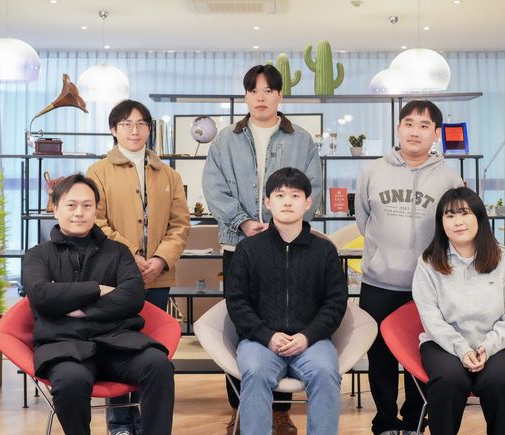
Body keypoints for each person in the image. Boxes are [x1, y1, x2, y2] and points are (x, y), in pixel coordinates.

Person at [202, 64, 322, 435]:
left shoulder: (301, 139)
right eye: (253, 90)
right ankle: (241, 409)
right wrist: (242, 221)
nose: (260, 97)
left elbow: (313, 188)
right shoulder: (225, 139)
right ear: (245, 96)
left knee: (286, 320)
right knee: (243, 326)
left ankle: (279, 413)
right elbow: (214, 187)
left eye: (268, 90)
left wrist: (280, 226)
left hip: (288, 245)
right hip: (238, 244)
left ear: (279, 95)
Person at [22, 174, 175, 435]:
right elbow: (42, 295)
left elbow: (133, 297)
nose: (79, 213)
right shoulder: (38, 255)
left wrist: (80, 309)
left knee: (159, 365)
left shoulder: (118, 251)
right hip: (64, 347)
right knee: (70, 381)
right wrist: (98, 289)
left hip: (118, 344)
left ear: (96, 209)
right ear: (55, 209)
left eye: (87, 205)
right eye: (71, 205)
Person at [355, 99, 463, 435]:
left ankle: (416, 420)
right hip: (378, 282)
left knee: (423, 356)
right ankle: (385, 422)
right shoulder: (372, 171)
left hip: (429, 285)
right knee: (381, 357)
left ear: (436, 134)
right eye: (409, 124)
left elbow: (456, 227)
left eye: (424, 125)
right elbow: (363, 220)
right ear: (398, 128)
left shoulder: (449, 177)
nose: (415, 131)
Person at [87, 100, 190, 435]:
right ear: (113, 130)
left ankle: (148, 423)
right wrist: (131, 254)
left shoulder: (169, 174)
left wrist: (160, 259)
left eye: (141, 124)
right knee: (117, 345)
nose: (135, 130)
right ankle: (119, 424)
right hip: (115, 276)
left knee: (151, 348)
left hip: (157, 276)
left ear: (149, 129)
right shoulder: (98, 172)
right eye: (126, 124)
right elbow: (96, 222)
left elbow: (180, 224)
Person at [226, 167, 348, 435]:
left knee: (326, 373)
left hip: (311, 342)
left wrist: (307, 336)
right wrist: (267, 336)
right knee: (255, 371)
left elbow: (336, 303)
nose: (288, 202)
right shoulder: (248, 249)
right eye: (280, 195)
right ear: (268, 202)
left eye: (295, 195)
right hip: (260, 341)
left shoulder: (324, 250)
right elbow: (237, 302)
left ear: (307, 202)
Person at [412, 187, 505, 435]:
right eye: (449, 215)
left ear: (479, 217)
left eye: (464, 213)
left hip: (498, 345)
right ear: (441, 223)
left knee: (499, 382)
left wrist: (488, 346)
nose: (457, 222)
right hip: (444, 344)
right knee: (448, 380)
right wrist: (462, 349)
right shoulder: (428, 263)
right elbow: (431, 317)